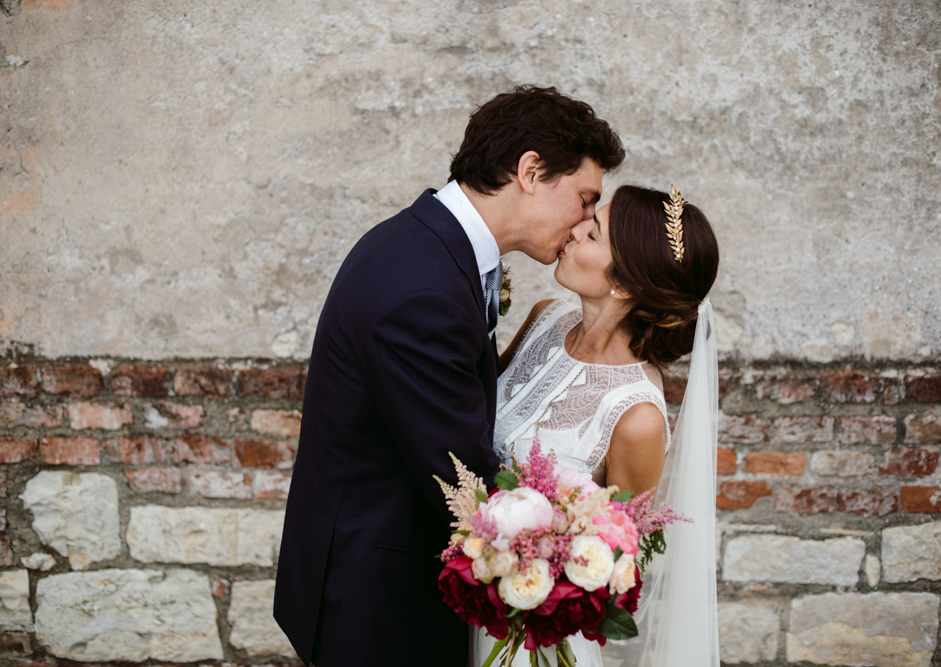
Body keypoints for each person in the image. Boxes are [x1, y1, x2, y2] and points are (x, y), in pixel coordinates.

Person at [274, 85, 625, 667]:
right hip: (381, 604)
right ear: (531, 171)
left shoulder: (427, 242)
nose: (586, 221)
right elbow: (462, 481)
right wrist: (578, 551)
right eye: (585, 198)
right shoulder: (425, 291)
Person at [473, 184, 720, 667]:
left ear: (625, 284)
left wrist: (531, 582)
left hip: (528, 635)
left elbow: (617, 564)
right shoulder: (545, 319)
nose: (573, 229)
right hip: (460, 591)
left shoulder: (637, 418)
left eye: (593, 231)